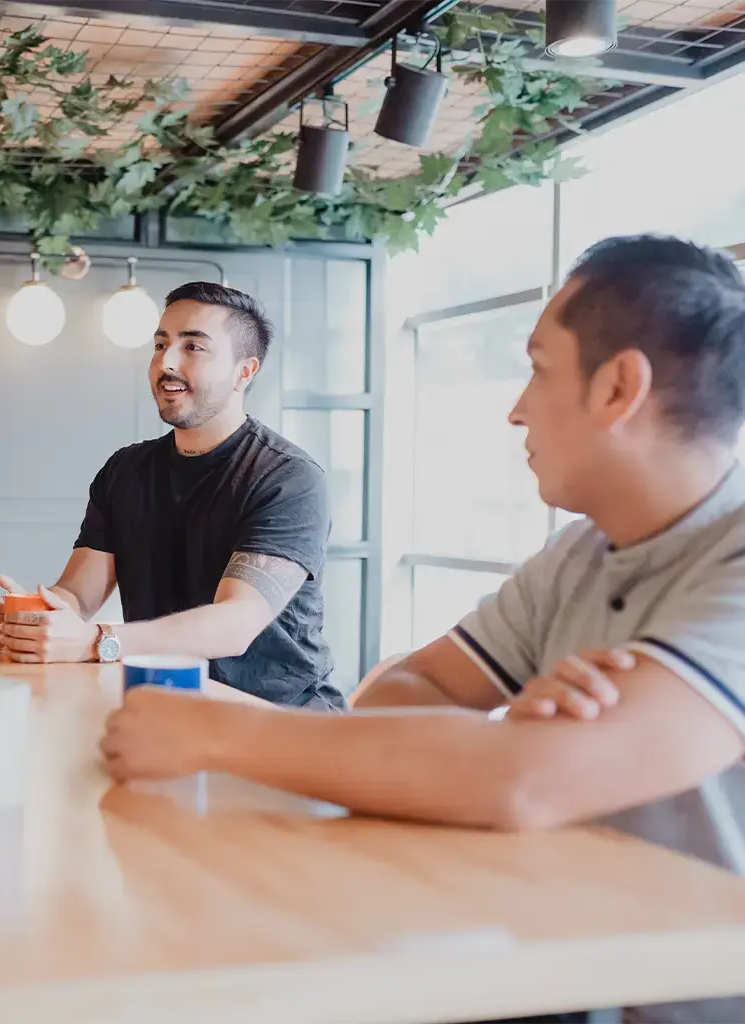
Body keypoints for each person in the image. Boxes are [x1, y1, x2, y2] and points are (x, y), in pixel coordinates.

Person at [99, 236, 745, 1024]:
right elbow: (410, 691)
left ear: (619, 387)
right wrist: (512, 746)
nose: (515, 407)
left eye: (539, 368)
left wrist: (212, 734)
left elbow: (524, 780)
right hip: (572, 963)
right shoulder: (579, 551)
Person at [0, 282, 344, 710]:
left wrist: (98, 642)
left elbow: (236, 622)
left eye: (193, 347)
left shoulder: (288, 478)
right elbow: (79, 595)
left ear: (244, 372)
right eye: (160, 344)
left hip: (282, 717)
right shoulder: (126, 471)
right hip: (166, 707)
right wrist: (36, 618)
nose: (166, 362)